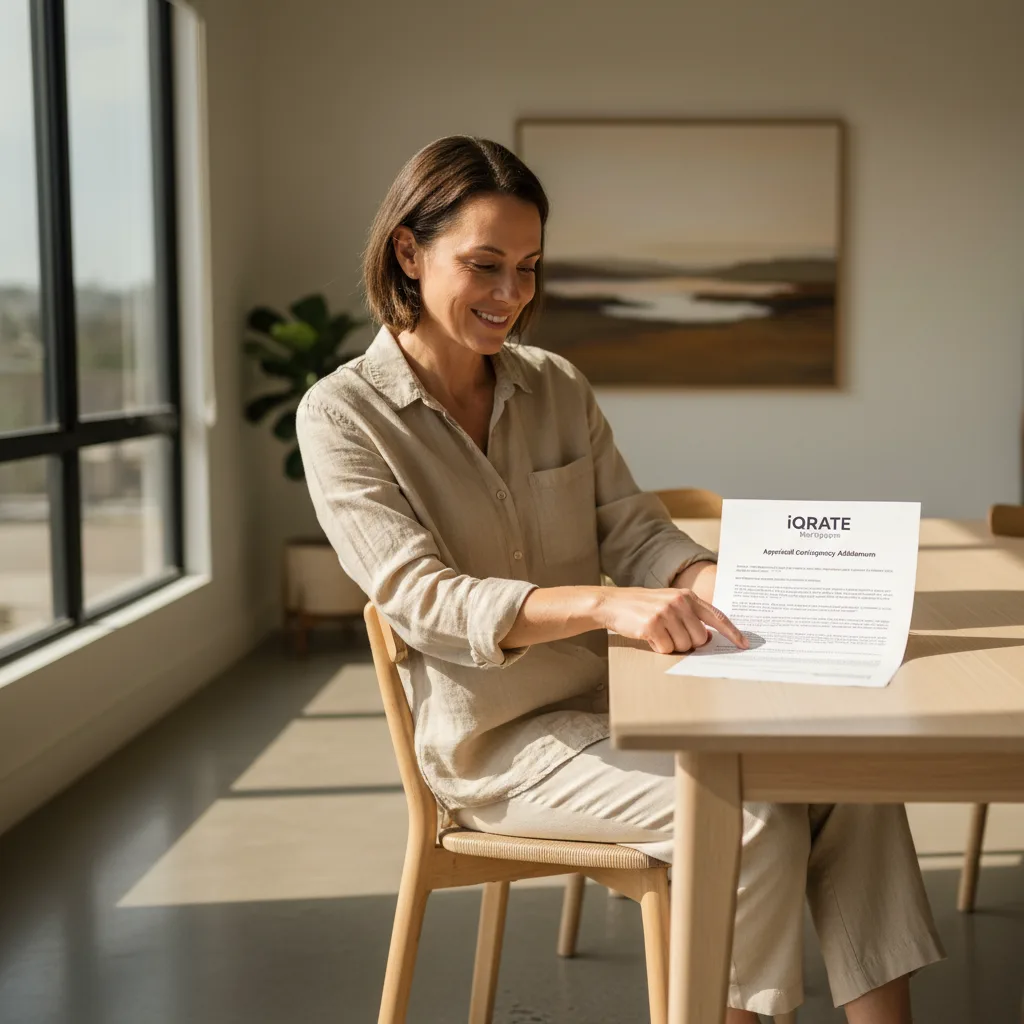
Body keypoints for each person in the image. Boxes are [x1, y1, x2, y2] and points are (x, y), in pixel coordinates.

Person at [296, 135, 944, 1021]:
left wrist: (716, 580)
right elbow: (421, 597)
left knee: (847, 779)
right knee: (750, 821)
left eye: (527, 269)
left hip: (623, 707)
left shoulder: (556, 385)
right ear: (408, 251)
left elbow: (635, 531)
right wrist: (607, 603)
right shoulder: (341, 414)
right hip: (497, 750)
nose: (511, 296)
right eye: (484, 265)